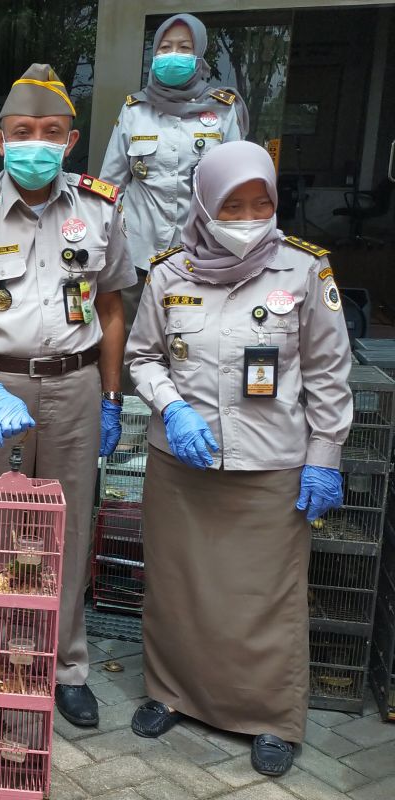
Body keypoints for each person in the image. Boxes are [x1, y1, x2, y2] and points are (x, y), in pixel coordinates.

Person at [125, 140, 350, 778]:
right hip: (182, 468)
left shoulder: (305, 271)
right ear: (203, 203)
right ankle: (171, 693)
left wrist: (325, 454)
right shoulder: (170, 273)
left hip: (272, 467)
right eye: (233, 204)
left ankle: (270, 718)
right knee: (178, 586)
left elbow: (331, 374)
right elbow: (143, 358)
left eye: (261, 203)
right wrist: (171, 407)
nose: (249, 216)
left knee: (266, 597)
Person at [0, 64, 135, 727]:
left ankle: (63, 667)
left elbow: (113, 305)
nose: (35, 143)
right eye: (22, 132)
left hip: (74, 387)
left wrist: (111, 396)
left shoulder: (101, 208)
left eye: (50, 132)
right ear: (0, 137)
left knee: (64, 536)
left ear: (70, 141)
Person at [100, 13, 246, 328]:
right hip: (138, 251)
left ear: (199, 55)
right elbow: (110, 186)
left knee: (192, 336)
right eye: (165, 48)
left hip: (202, 252)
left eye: (183, 47)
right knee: (131, 337)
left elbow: (237, 188)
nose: (172, 55)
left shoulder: (222, 111)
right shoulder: (134, 111)